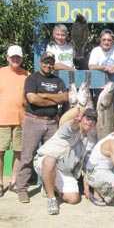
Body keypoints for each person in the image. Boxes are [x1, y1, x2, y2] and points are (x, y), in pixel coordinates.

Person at [16, 51, 68, 203]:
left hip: (52, 122)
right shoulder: (32, 78)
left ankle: (48, 186)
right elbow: (32, 98)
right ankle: (22, 189)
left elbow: (64, 97)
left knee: (51, 156)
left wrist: (43, 95)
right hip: (33, 121)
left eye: (51, 63)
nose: (48, 65)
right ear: (40, 62)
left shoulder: (58, 80)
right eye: (46, 62)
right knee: (27, 156)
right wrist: (53, 98)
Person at [33, 108, 97, 215]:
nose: (90, 121)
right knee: (50, 159)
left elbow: (86, 165)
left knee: (74, 199)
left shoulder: (88, 141)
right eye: (88, 118)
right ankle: (51, 199)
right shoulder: (67, 127)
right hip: (43, 161)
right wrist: (75, 121)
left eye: (93, 120)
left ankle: (50, 184)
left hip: (63, 170)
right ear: (81, 118)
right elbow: (73, 128)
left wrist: (86, 188)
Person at [0, 45, 31, 197]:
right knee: (0, 152)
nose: (15, 59)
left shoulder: (27, 75)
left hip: (22, 120)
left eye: (18, 57)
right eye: (13, 57)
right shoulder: (0, 73)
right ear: (7, 58)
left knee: (19, 153)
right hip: (2, 120)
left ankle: (14, 181)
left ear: (22, 58)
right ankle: (0, 183)